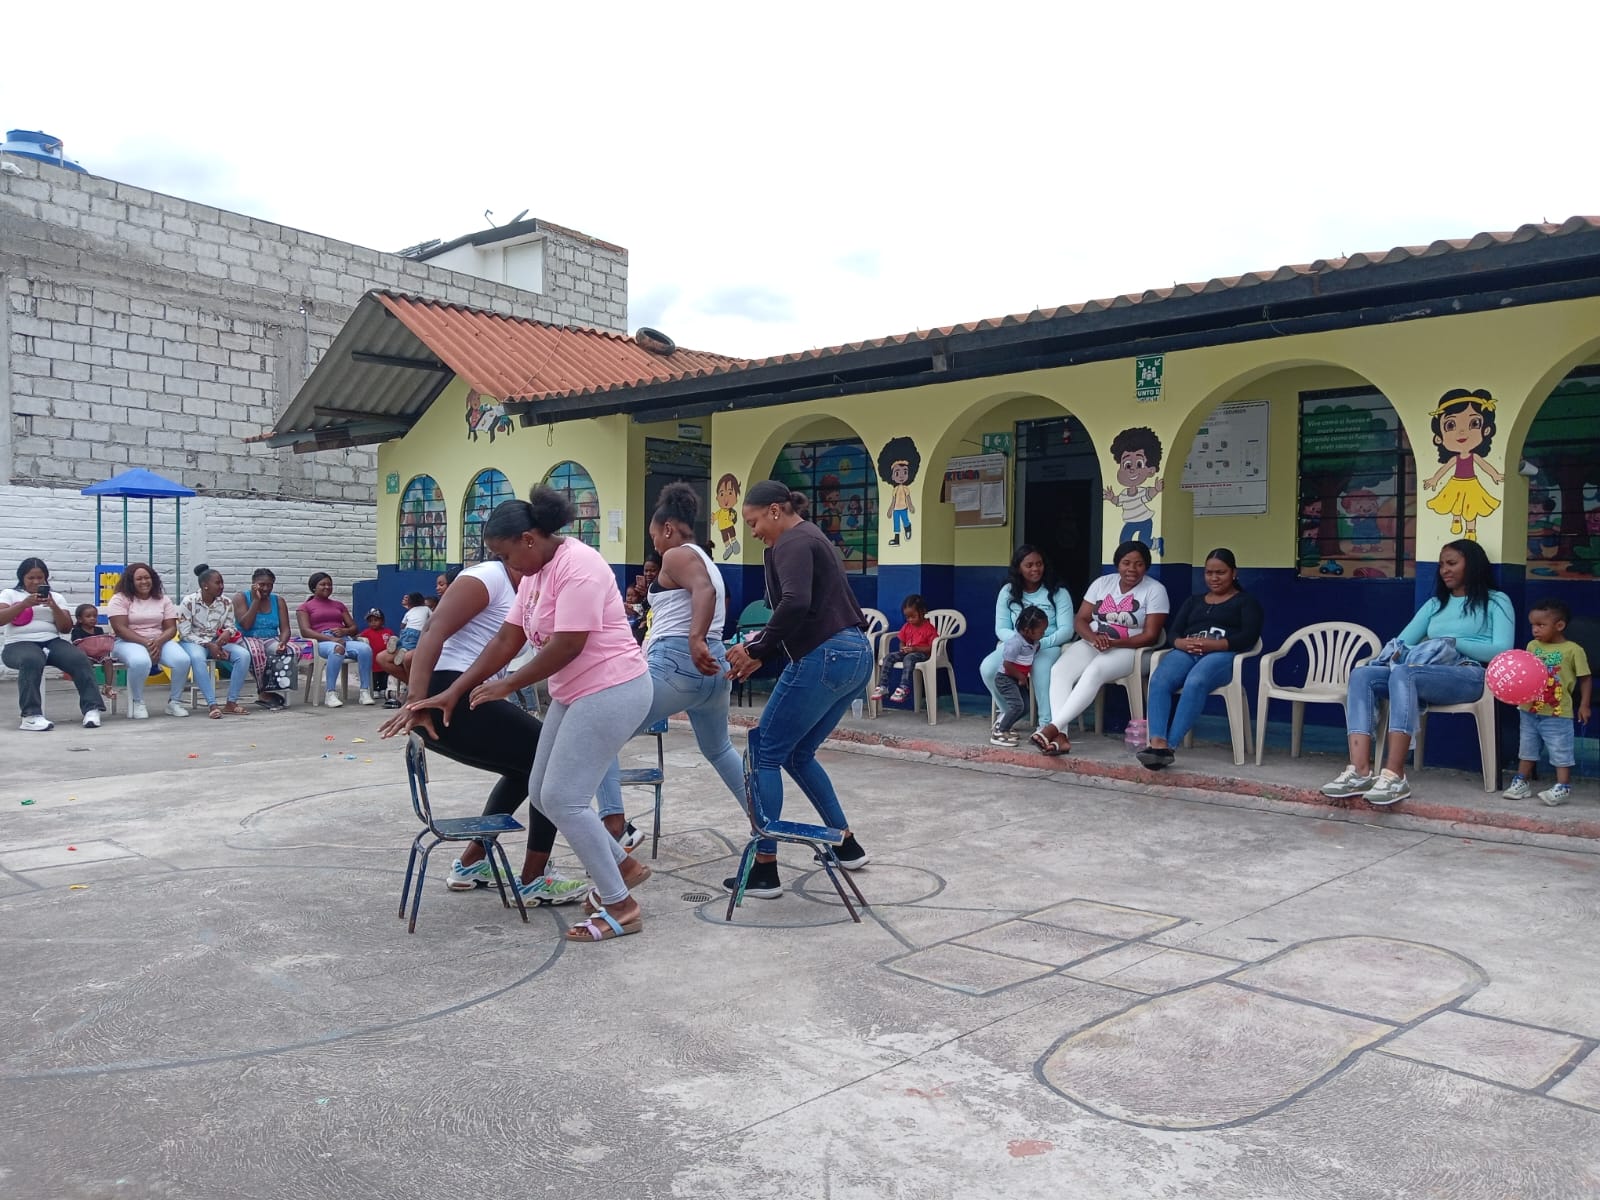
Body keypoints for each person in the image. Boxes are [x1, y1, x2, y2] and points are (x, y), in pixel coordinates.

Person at [409, 488, 654, 943]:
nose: (508, 565)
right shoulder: (535, 575)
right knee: (542, 791)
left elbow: (569, 645)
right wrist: (454, 692)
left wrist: (507, 685)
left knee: (563, 798)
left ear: (528, 539)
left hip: (614, 687)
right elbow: (507, 639)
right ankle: (622, 865)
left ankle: (621, 904)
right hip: (575, 692)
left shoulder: (579, 566)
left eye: (506, 554)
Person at [377, 530, 588, 906]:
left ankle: (472, 863)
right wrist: (416, 699)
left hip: (464, 694)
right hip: (447, 693)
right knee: (551, 762)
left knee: (529, 769)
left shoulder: (530, 591)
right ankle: (534, 879)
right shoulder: (488, 576)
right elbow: (433, 630)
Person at [724, 481, 874, 899]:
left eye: (753, 521)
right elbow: (804, 610)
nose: (753, 532)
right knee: (797, 753)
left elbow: (794, 603)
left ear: (775, 510)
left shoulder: (791, 541)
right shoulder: (810, 536)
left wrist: (756, 648)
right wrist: (764, 653)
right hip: (855, 655)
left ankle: (765, 868)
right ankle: (845, 844)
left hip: (825, 656)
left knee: (763, 753)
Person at [594, 483, 748, 837]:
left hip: (678, 663)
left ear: (667, 529)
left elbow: (703, 592)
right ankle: (765, 827)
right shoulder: (706, 560)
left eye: (654, 537)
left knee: (601, 734)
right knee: (720, 749)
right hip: (713, 669)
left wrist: (695, 639)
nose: (656, 545)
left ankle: (617, 831)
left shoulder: (676, 555)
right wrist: (701, 641)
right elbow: (707, 596)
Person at [1320, 539, 1514, 807]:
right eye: (1441, 565)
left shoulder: (1496, 602)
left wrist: (1450, 643)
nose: (1444, 570)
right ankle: (1360, 771)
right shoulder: (1436, 604)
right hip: (1427, 673)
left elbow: (1502, 650)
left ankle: (1394, 775)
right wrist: (1410, 651)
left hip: (1469, 675)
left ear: (1473, 565)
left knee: (1405, 674)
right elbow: (1403, 642)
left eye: (1452, 563)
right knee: (1363, 675)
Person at [1031, 541, 1170, 756]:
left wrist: (1112, 643)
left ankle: (1052, 728)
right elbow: (1080, 620)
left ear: (1147, 566)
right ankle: (1061, 737)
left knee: (1094, 671)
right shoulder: (1102, 583)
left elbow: (1150, 635)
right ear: (1117, 564)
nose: (1132, 569)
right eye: (1126, 563)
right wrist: (1094, 638)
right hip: (1094, 642)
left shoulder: (1155, 590)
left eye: (1139, 564)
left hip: (1131, 650)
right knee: (1059, 671)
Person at [1135, 548, 1264, 769]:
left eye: (1220, 572)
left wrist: (1215, 645)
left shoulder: (1245, 602)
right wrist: (1180, 643)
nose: (1214, 578)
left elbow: (1249, 637)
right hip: (1187, 652)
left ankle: (1168, 747)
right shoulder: (1194, 601)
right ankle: (1157, 743)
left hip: (1222, 655)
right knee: (1159, 680)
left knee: (1195, 681)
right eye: (1209, 573)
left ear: (1234, 573)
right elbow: (1174, 632)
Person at [1503, 597, 1591, 807]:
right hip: (1529, 709)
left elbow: (1585, 678)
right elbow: (1525, 672)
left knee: (1560, 749)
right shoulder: (1532, 646)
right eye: (1533, 625)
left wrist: (1584, 705)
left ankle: (1563, 786)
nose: (1535, 629)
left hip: (1557, 712)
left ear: (1559, 625)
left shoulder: (1573, 650)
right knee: (1527, 747)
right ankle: (1521, 781)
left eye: (1541, 625)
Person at [1, 558, 103, 730]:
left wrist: (53, 606)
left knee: (78, 658)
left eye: (40, 577)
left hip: (51, 641)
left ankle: (92, 709)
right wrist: (24, 604)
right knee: (31, 659)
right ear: (22, 578)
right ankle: (30, 716)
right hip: (18, 644)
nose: (36, 582)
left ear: (46, 578)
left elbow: (65, 628)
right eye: (31, 578)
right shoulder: (10, 594)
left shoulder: (56, 597)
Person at [980, 546, 1076, 728]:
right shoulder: (1008, 591)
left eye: (1039, 564)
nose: (1035, 569)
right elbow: (1001, 629)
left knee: (1041, 669)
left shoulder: (1058, 591)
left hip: (1047, 645)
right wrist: (1023, 643)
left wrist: (1039, 644)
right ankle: (1010, 712)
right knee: (988, 668)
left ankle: (1046, 723)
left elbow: (1066, 630)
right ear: (1018, 568)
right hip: (1015, 645)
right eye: (1029, 565)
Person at [107, 562, 195, 721]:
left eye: (147, 578)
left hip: (159, 640)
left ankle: (174, 702)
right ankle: (137, 702)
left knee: (182, 660)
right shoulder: (119, 599)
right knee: (140, 661)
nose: (144, 582)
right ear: (130, 581)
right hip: (126, 641)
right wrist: (147, 642)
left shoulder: (163, 599)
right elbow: (120, 629)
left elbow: (171, 628)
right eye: (139, 579)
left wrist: (158, 642)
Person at [177, 564, 255, 717]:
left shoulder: (226, 603)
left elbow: (231, 626)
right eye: (217, 583)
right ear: (205, 585)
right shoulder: (189, 602)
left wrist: (227, 633)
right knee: (197, 658)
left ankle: (231, 702)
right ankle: (212, 704)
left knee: (244, 655)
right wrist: (208, 645)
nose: (221, 586)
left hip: (216, 642)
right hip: (193, 642)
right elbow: (185, 633)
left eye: (222, 582)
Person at [295, 572, 375, 707]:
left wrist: (345, 631)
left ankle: (364, 691)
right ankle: (330, 693)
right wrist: (331, 639)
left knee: (365, 649)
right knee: (337, 649)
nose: (327, 587)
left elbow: (354, 627)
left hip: (343, 639)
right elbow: (305, 631)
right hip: (321, 642)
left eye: (329, 584)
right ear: (314, 587)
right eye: (323, 584)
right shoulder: (305, 607)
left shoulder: (338, 605)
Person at [233, 568, 293, 708]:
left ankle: (274, 686)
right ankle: (263, 691)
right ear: (253, 584)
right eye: (262, 584)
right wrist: (256, 601)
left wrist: (283, 642)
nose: (266, 588)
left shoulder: (278, 601)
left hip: (271, 637)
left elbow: (285, 629)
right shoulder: (241, 597)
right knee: (256, 652)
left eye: (269, 585)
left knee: (292, 650)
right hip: (247, 636)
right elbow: (246, 625)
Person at [991, 605, 1048, 747]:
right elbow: (1007, 664)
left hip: (1017, 679)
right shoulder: (1015, 643)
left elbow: (1030, 654)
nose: (1044, 633)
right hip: (1005, 678)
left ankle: (1005, 725)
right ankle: (1000, 732)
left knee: (1025, 706)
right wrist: (1021, 677)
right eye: (1041, 631)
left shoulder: (1034, 642)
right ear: (1027, 630)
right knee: (1017, 705)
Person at [356, 609, 395, 702]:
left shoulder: (388, 632)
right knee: (374, 676)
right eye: (370, 621)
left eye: (376, 620)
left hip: (385, 659)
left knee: (384, 675)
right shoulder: (366, 632)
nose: (373, 623)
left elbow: (392, 642)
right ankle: (374, 689)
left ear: (382, 621)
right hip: (372, 660)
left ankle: (383, 688)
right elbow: (359, 638)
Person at [389, 592, 429, 671]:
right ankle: (404, 651)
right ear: (423, 601)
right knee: (411, 646)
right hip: (418, 632)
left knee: (404, 640)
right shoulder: (426, 609)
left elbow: (402, 625)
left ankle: (397, 642)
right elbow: (433, 617)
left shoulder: (409, 612)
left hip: (407, 630)